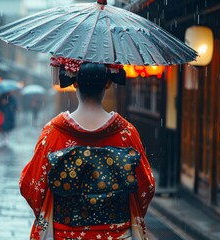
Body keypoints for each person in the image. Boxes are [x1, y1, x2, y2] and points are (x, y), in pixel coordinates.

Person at [19, 59, 155, 240]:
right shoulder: (126, 134)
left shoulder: (53, 132)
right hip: (115, 234)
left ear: (75, 82)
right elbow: (146, 187)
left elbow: (32, 186)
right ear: (107, 84)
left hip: (64, 233)